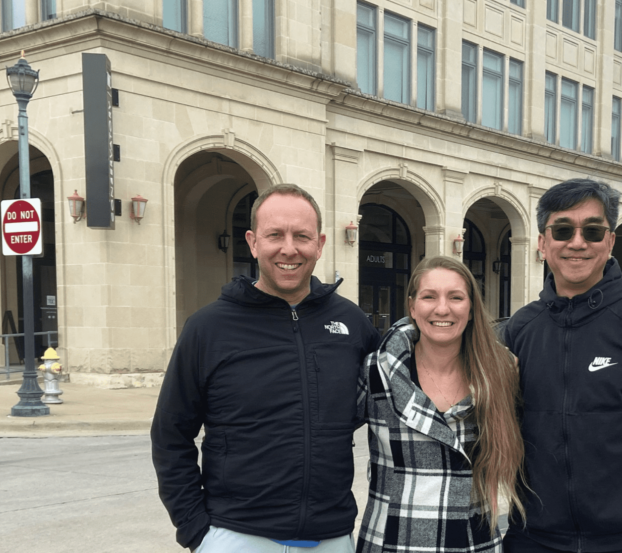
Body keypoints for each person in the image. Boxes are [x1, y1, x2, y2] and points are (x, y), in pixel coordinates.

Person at [151, 183, 381, 552]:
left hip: (332, 537)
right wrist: (196, 531)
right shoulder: (208, 328)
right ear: (253, 242)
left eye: (302, 236)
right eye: (275, 235)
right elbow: (170, 435)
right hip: (236, 535)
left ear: (319, 244)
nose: (288, 248)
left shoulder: (351, 323)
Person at [503, 178, 622, 553]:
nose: (577, 242)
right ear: (543, 243)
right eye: (562, 230)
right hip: (532, 538)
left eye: (592, 231)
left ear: (609, 241)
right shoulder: (521, 328)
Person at [356, 255, 524, 553]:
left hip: (473, 543)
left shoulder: (500, 373)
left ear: (471, 308)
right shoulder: (376, 372)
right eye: (429, 296)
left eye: (456, 297)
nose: (442, 308)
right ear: (412, 306)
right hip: (392, 542)